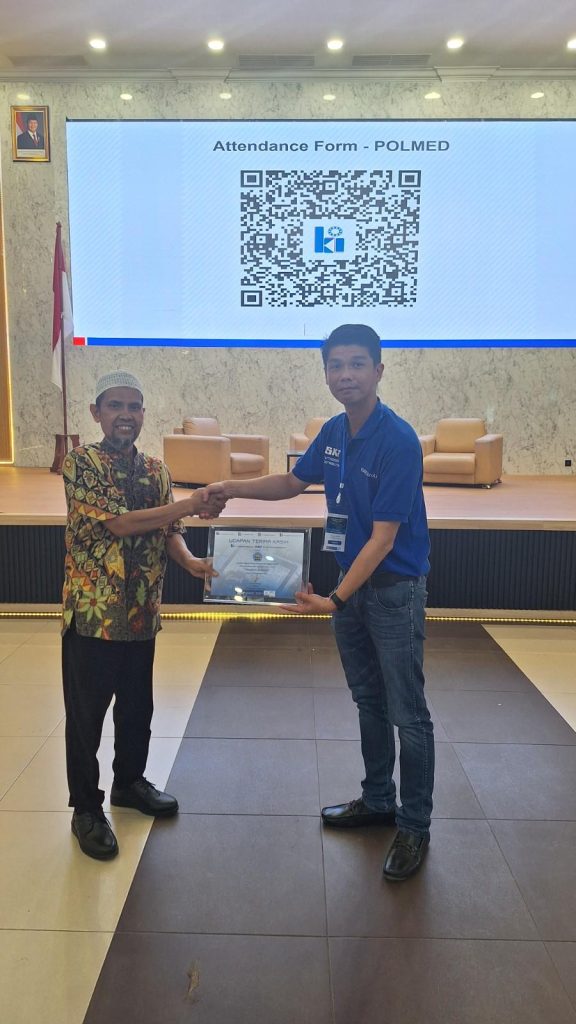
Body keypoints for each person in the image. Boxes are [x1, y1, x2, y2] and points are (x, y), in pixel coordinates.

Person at [206, 325, 434, 880]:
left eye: (358, 364)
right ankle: (378, 801)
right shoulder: (333, 432)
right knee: (367, 701)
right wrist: (230, 490)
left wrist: (334, 600)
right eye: (336, 366)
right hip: (349, 590)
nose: (346, 375)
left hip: (391, 594)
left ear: (379, 370)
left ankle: (414, 827)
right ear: (326, 372)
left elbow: (383, 539)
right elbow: (291, 481)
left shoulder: (398, 441)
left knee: (408, 713)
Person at [61, 370, 226, 861]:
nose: (126, 415)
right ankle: (86, 809)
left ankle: (129, 784)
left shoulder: (156, 470)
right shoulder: (81, 463)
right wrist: (190, 504)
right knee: (86, 719)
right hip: (93, 616)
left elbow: (166, 529)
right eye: (115, 405)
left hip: (141, 614)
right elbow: (121, 524)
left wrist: (192, 562)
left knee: (138, 711)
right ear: (96, 413)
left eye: (134, 406)